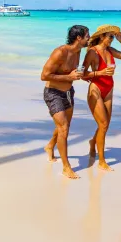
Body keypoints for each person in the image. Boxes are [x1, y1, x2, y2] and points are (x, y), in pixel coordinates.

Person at [82, 25, 121, 171]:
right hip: (96, 89)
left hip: (109, 89)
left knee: (104, 125)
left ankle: (93, 142)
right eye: (110, 36)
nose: (112, 39)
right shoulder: (93, 52)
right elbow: (83, 74)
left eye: (113, 37)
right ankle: (102, 161)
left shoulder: (110, 50)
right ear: (102, 36)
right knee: (103, 125)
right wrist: (101, 72)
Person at [41, 25, 90, 179]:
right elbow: (44, 75)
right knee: (64, 128)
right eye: (87, 35)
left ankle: (50, 146)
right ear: (79, 38)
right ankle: (66, 167)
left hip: (68, 93)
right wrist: (69, 77)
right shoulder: (60, 52)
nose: (89, 38)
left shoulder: (79, 50)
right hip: (53, 93)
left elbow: (97, 40)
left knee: (64, 126)